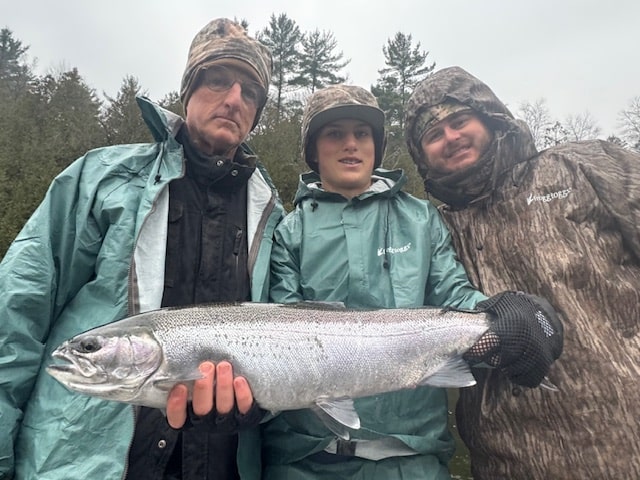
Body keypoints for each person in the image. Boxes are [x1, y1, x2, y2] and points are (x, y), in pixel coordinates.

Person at [0, 18, 284, 480]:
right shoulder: (101, 179)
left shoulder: (274, 219)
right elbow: (15, 316)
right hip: (80, 465)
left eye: (250, 92)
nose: (234, 99)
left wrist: (260, 406)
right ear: (188, 89)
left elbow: (297, 354)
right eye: (217, 80)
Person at [262, 84, 563, 479]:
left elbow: (454, 294)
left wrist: (507, 318)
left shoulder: (421, 219)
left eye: (362, 133)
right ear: (313, 151)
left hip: (413, 461)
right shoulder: (289, 232)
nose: (351, 144)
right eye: (335, 134)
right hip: (306, 462)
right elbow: (281, 329)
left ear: (377, 146)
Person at [404, 65, 640, 479]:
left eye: (460, 121)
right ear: (422, 156)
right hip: (508, 462)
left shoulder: (582, 166)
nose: (451, 138)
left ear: (490, 118)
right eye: (434, 134)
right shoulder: (430, 229)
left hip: (625, 441)